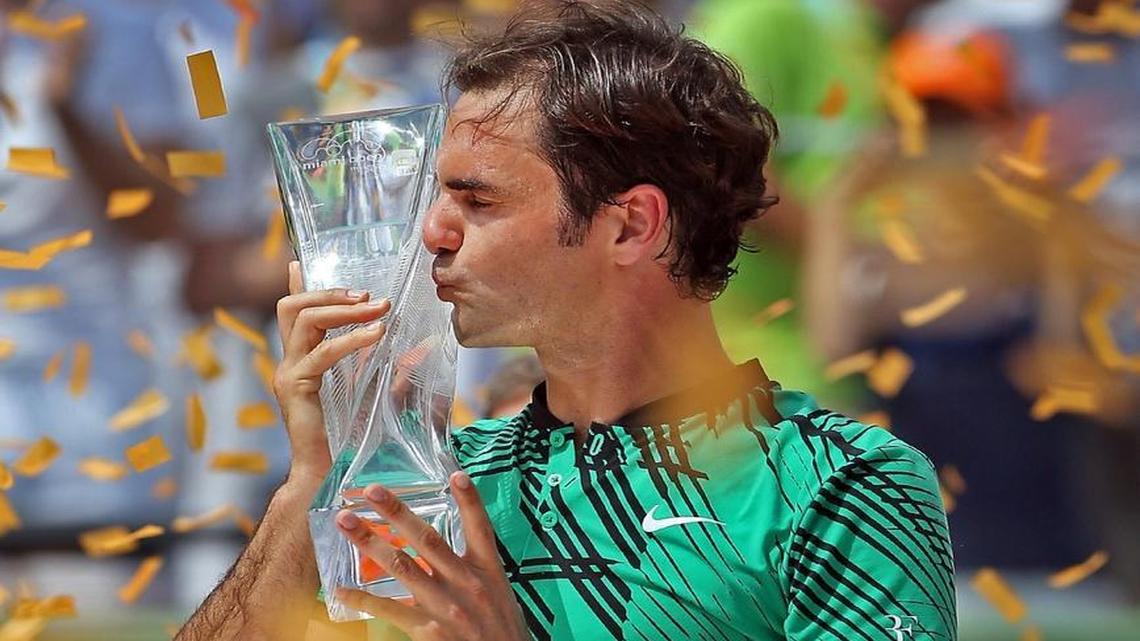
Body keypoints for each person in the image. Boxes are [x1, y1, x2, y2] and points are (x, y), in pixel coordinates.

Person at [174, 2, 955, 640]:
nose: (431, 232)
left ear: (630, 226)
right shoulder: (434, 482)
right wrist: (314, 476)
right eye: (436, 196)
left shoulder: (843, 484)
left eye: (477, 201)